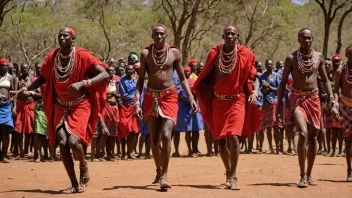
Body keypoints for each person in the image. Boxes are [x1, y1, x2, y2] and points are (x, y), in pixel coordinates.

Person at [16, 26, 109, 193]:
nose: (62, 38)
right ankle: (74, 184)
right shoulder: (53, 56)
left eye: (65, 36)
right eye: (60, 36)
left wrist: (83, 83)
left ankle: (83, 164)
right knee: (63, 143)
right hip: (60, 105)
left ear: (73, 39)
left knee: (74, 141)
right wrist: (26, 89)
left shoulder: (82, 55)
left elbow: (104, 74)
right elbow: (43, 77)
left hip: (80, 104)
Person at [193, 25, 261, 190]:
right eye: (227, 34)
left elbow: (255, 77)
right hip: (218, 102)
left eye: (233, 34)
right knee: (221, 141)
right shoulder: (214, 54)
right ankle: (228, 171)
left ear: (237, 36)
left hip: (237, 100)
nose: (230, 36)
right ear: (223, 36)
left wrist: (255, 92)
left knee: (234, 137)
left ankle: (233, 175)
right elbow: (206, 79)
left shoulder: (246, 54)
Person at [135, 24, 198, 190]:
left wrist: (190, 96)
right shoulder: (146, 54)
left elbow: (183, 78)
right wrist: (137, 102)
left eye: (162, 34)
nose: (159, 37)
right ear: (152, 35)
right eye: (156, 34)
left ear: (166, 36)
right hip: (151, 97)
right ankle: (158, 170)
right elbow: (141, 80)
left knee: (166, 134)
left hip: (169, 97)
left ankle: (164, 175)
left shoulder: (174, 53)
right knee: (154, 140)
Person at [277, 28, 333, 188]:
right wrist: (279, 105)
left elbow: (325, 80)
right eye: (303, 38)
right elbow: (282, 83)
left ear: (312, 39)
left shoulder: (319, 57)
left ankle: (309, 174)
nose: (307, 41)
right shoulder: (291, 59)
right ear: (299, 39)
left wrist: (331, 98)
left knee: (313, 138)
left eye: (309, 38)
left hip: (314, 99)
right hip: (297, 99)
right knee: (302, 133)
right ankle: (302, 175)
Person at [173, 66, 204, 157]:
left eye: (188, 72)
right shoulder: (179, 82)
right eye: (185, 72)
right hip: (181, 107)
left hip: (191, 107)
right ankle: (176, 151)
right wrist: (188, 100)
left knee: (189, 130)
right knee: (177, 130)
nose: (187, 73)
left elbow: (196, 93)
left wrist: (193, 101)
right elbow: (178, 94)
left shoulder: (193, 81)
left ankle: (191, 150)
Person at [332, 46, 352, 182]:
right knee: (349, 140)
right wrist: (334, 104)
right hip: (345, 107)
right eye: (351, 53)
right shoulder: (340, 71)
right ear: (346, 54)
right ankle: (349, 170)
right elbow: (335, 90)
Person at [260, 59, 282, 154]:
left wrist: (270, 88)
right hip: (266, 103)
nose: (269, 66)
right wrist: (263, 91)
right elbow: (260, 89)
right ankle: (270, 148)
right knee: (268, 127)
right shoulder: (262, 77)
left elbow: (280, 89)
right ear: (265, 65)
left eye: (271, 64)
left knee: (276, 126)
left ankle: (277, 148)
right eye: (267, 64)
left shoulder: (276, 76)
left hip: (275, 102)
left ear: (273, 65)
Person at [14, 63, 36, 158]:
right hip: (20, 105)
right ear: (21, 69)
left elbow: (34, 93)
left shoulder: (32, 79)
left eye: (26, 68)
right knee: (18, 129)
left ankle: (26, 151)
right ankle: (20, 151)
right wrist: (14, 107)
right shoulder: (17, 79)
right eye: (23, 68)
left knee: (28, 129)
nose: (25, 70)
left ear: (28, 69)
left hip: (29, 104)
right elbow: (15, 94)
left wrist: (26, 92)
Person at [118, 65, 139, 159]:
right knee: (123, 128)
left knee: (133, 131)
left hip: (134, 107)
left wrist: (136, 100)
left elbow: (138, 91)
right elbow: (122, 94)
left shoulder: (135, 80)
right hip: (125, 106)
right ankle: (123, 153)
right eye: (128, 69)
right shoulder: (122, 80)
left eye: (131, 69)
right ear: (125, 70)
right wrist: (132, 98)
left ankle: (129, 152)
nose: (130, 71)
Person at [102, 66, 120, 161]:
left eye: (112, 71)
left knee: (113, 133)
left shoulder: (116, 82)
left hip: (114, 108)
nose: (111, 73)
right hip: (105, 107)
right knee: (105, 132)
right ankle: (102, 152)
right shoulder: (103, 82)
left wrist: (115, 95)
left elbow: (117, 94)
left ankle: (111, 153)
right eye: (109, 71)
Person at [32, 63, 48, 162]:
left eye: (41, 68)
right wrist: (41, 95)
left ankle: (45, 153)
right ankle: (37, 154)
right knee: (38, 132)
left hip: (48, 107)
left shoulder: (49, 79)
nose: (39, 70)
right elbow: (32, 94)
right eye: (38, 68)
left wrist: (39, 94)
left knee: (45, 133)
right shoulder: (33, 80)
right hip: (39, 107)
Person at [0, 59, 14, 163]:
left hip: (6, 106)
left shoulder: (10, 78)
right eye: (2, 66)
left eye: (6, 66)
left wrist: (14, 107)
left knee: (6, 130)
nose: (5, 67)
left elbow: (13, 93)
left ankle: (4, 154)